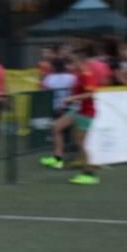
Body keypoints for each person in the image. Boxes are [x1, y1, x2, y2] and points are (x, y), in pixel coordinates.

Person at [39, 55, 100, 185]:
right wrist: (70, 102)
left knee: (80, 143)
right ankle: (58, 159)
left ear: (80, 62)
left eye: (72, 64)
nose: (69, 67)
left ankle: (89, 174)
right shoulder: (78, 74)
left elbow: (91, 94)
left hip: (86, 113)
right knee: (56, 126)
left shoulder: (87, 74)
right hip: (77, 110)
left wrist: (71, 99)